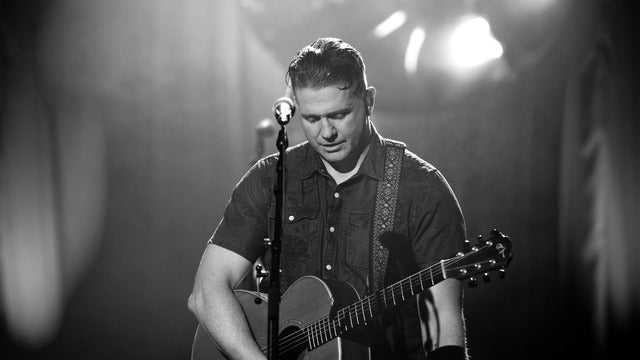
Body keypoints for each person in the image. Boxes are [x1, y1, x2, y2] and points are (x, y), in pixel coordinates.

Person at [188, 37, 468, 360]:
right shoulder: (271, 179)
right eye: (311, 119)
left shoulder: (421, 189)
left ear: (369, 102)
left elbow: (446, 323)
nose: (326, 132)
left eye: (339, 114)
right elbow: (205, 293)